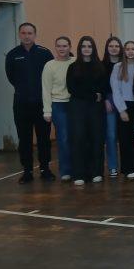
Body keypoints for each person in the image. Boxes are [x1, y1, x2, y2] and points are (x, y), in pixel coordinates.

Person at [5, 22, 54, 184]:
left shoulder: (44, 53)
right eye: (24, 33)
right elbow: (11, 77)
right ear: (19, 34)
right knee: (24, 139)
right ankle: (27, 171)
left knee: (44, 138)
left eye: (30, 33)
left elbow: (51, 75)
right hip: (21, 104)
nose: (27, 36)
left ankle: (45, 169)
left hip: (42, 104)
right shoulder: (12, 54)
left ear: (35, 35)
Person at [66, 36, 109, 185]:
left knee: (96, 138)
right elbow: (72, 88)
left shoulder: (100, 66)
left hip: (96, 108)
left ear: (93, 48)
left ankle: (96, 172)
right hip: (78, 107)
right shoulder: (73, 67)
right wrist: (92, 95)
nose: (86, 49)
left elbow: (103, 87)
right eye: (84, 46)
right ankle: (79, 174)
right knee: (78, 139)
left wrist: (98, 95)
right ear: (79, 48)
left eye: (89, 46)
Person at [42, 36, 75, 181]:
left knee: (77, 137)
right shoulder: (49, 65)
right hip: (58, 105)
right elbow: (46, 89)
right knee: (63, 138)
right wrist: (47, 111)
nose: (62, 49)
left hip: (75, 104)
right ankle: (66, 170)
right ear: (55, 47)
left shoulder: (75, 62)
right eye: (59, 46)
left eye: (65, 46)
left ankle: (79, 168)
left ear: (70, 47)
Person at [110, 40, 134, 179]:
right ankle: (128, 168)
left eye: (133, 49)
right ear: (124, 51)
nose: (130, 51)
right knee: (125, 139)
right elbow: (116, 90)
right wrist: (121, 110)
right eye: (128, 49)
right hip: (124, 105)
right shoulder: (118, 67)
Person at [102, 36, 123, 177]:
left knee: (125, 134)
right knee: (111, 135)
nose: (114, 48)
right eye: (111, 46)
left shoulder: (124, 64)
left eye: (116, 46)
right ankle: (113, 166)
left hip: (124, 100)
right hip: (109, 100)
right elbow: (99, 84)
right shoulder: (101, 64)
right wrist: (105, 99)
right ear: (107, 48)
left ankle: (128, 165)